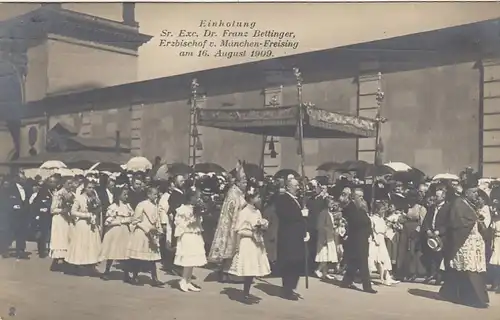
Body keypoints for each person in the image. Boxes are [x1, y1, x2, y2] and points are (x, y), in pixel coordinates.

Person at [439, 186, 489, 308]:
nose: (476, 195)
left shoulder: (471, 204)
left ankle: (451, 293)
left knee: (466, 270)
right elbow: (457, 221)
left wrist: (479, 219)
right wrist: (473, 220)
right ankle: (475, 298)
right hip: (464, 241)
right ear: (467, 193)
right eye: (474, 192)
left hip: (474, 242)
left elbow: (475, 219)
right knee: (468, 270)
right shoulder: (458, 203)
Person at [228, 185, 271, 301]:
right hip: (247, 242)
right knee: (248, 266)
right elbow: (238, 229)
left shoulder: (257, 212)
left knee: (253, 267)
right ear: (251, 198)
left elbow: (259, 224)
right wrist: (250, 234)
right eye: (257, 197)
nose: (259, 199)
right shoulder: (244, 212)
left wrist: (262, 227)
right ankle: (245, 293)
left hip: (256, 242)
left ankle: (247, 292)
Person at [209, 161, 247, 283]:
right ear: (237, 182)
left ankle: (232, 272)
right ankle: (226, 273)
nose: (245, 184)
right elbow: (232, 210)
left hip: (238, 224)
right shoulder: (233, 193)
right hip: (232, 224)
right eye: (243, 182)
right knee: (229, 249)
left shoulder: (239, 193)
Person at [275, 177, 309, 300]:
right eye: (295, 185)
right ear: (289, 186)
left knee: (296, 262)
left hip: (297, 236)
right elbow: (286, 215)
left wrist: (305, 229)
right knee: (289, 263)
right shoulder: (283, 199)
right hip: (288, 237)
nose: (298, 187)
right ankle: (287, 290)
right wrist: (301, 214)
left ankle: (292, 287)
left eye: (298, 185)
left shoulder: (297, 200)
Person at [339, 187, 377, 294]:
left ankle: (346, 281)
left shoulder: (361, 207)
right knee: (363, 262)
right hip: (356, 238)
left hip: (363, 237)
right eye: (359, 196)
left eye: (362, 196)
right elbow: (356, 221)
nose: (361, 198)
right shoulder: (350, 207)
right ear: (354, 196)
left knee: (354, 261)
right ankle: (367, 286)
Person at [127, 186, 164, 287]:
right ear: (148, 194)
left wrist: (159, 230)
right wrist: (147, 229)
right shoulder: (142, 204)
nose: (156, 196)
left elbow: (157, 220)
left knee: (152, 259)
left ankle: (154, 278)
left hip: (152, 234)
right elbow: (135, 220)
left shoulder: (155, 205)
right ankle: (135, 276)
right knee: (138, 257)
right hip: (142, 233)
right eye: (154, 194)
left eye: (157, 194)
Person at [65, 180, 103, 276]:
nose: (91, 189)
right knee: (81, 244)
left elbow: (98, 210)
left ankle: (91, 265)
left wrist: (95, 215)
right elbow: (73, 212)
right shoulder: (79, 198)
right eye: (89, 187)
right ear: (85, 188)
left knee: (92, 244)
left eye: (93, 188)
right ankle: (77, 265)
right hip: (82, 224)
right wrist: (85, 215)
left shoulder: (95, 198)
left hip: (92, 224)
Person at [174, 187, 207, 292]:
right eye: (197, 197)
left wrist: (199, 214)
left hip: (195, 235)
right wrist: (190, 220)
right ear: (191, 197)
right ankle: (183, 280)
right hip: (187, 235)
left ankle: (188, 281)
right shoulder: (183, 209)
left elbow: (198, 223)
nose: (198, 199)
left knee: (193, 260)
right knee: (188, 258)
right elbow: (179, 224)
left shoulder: (195, 208)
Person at [100, 187, 134, 282]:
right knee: (112, 251)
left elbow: (132, 217)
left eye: (127, 194)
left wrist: (130, 221)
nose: (126, 196)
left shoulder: (128, 206)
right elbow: (108, 222)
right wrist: (121, 221)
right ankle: (107, 271)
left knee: (125, 253)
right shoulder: (113, 206)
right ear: (118, 195)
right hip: (115, 232)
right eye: (124, 194)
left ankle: (126, 274)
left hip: (125, 232)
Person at [421, 186, 450, 285]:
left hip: (442, 236)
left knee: (440, 256)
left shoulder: (448, 208)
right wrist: (428, 230)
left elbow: (448, 223)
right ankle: (431, 274)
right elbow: (426, 220)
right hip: (431, 235)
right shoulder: (432, 207)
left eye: (437, 196)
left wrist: (439, 231)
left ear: (443, 197)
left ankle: (440, 276)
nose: (435, 198)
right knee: (431, 255)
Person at [49, 177, 75, 271]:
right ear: (63, 184)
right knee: (59, 239)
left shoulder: (72, 195)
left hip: (67, 218)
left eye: (71, 183)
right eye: (68, 183)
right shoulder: (58, 194)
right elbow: (52, 210)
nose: (70, 185)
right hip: (59, 219)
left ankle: (65, 260)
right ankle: (56, 261)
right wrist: (62, 210)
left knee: (67, 238)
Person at [314, 197, 339, 280]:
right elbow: (320, 226)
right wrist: (324, 238)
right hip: (325, 237)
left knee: (329, 256)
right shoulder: (323, 213)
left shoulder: (329, 213)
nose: (332, 204)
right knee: (324, 255)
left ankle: (325, 273)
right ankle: (318, 269)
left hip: (330, 236)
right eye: (330, 203)